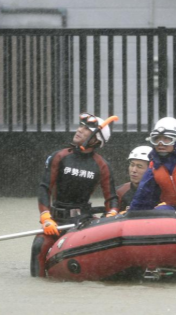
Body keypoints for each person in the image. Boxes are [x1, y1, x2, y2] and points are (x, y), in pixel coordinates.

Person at [30, 113, 119, 277]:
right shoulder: (59, 156)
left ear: (96, 139)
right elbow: (44, 188)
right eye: (80, 126)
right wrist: (46, 217)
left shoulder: (102, 165)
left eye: (86, 129)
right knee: (38, 246)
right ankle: (38, 284)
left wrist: (112, 214)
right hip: (56, 221)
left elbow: (111, 199)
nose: (79, 130)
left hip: (83, 222)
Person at [117, 146, 152, 212]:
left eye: (139, 166)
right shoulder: (120, 192)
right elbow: (108, 217)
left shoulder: (161, 192)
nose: (134, 170)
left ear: (150, 169)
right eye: (132, 165)